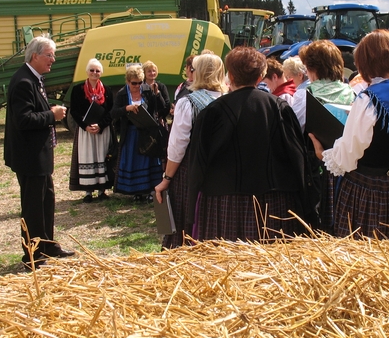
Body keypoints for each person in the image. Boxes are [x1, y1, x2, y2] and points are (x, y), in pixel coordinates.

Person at [309, 30, 389, 239]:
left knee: (363, 257)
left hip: (365, 190)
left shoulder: (368, 101)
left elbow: (347, 157)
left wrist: (323, 153)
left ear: (366, 63)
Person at [187, 47, 311, 241]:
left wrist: (190, 211)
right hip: (274, 203)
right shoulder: (279, 107)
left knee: (225, 265)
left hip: (224, 203)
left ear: (231, 75)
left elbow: (197, 162)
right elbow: (297, 158)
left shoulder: (212, 112)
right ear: (261, 75)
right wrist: (305, 203)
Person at [4, 35, 75, 269]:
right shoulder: (23, 81)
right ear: (35, 56)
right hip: (29, 157)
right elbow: (24, 120)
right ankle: (32, 255)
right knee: (33, 206)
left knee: (46, 201)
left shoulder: (34, 78)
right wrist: (52, 116)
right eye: (49, 55)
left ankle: (47, 245)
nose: (53, 60)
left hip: (39, 156)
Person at [154, 53, 227, 248]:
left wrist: (167, 178)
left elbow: (177, 146)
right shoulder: (228, 99)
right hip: (223, 174)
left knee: (186, 222)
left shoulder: (188, 103)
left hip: (192, 170)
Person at [296, 40, 355, 232]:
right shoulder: (352, 92)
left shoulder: (305, 94)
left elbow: (296, 128)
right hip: (347, 166)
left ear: (313, 68)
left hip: (316, 167)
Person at [110, 65, 164, 202]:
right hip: (130, 133)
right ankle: (136, 192)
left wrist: (157, 95)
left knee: (148, 161)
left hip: (146, 132)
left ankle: (150, 191)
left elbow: (159, 109)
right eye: (134, 83)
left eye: (140, 82)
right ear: (128, 81)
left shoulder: (147, 90)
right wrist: (126, 108)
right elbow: (113, 112)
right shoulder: (122, 94)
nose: (137, 86)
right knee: (133, 162)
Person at [69, 58, 115, 203]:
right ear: (87, 72)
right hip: (86, 131)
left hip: (102, 130)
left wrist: (100, 125)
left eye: (97, 70)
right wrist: (85, 126)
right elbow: (74, 111)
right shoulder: (78, 89)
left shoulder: (107, 90)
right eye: (92, 70)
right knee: (87, 157)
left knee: (102, 156)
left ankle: (102, 190)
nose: (94, 73)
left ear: (101, 73)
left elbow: (111, 111)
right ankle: (88, 191)